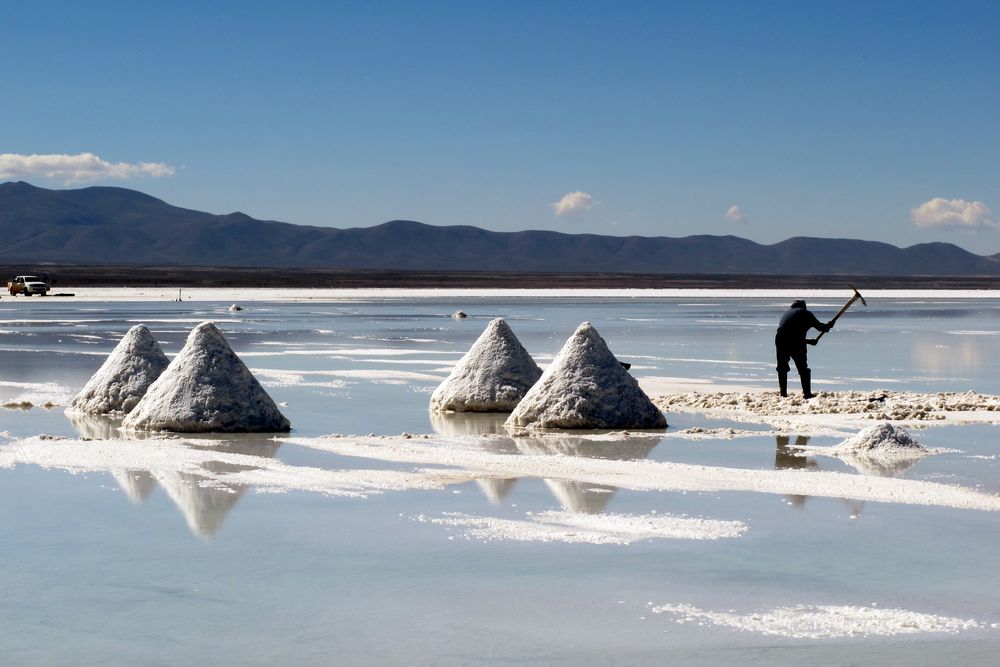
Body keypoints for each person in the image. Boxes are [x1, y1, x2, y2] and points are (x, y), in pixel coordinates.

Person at [775, 299, 833, 399]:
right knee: (803, 369)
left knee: (782, 367)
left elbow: (790, 336)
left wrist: (808, 341)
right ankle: (807, 394)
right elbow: (821, 328)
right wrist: (828, 325)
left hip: (780, 339)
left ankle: (783, 393)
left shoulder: (787, 313)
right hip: (795, 342)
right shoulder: (806, 313)